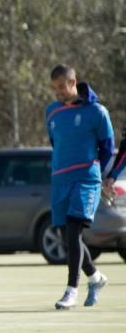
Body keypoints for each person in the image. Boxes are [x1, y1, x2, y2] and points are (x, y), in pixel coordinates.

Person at [46, 64, 113, 309]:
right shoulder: (51, 112)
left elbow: (107, 148)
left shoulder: (97, 112)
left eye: (62, 87)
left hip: (86, 180)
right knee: (67, 236)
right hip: (60, 180)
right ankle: (95, 277)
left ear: (74, 83)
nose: (58, 93)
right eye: (54, 88)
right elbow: (57, 143)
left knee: (74, 230)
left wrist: (102, 176)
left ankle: (70, 291)